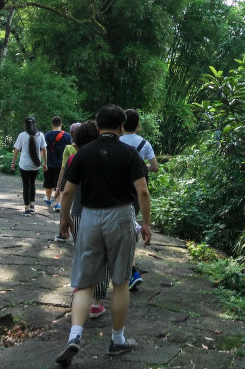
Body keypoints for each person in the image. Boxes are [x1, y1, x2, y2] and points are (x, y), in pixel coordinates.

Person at [56, 104, 151, 366]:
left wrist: (65, 220)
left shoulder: (82, 154)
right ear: (122, 126)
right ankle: (117, 339)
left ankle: (74, 336)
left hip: (89, 217)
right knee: (120, 281)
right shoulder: (130, 154)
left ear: (97, 126)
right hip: (120, 216)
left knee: (85, 281)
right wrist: (145, 223)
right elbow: (142, 192)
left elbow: (67, 192)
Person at [56, 121, 109, 317]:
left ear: (77, 143)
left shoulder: (73, 160)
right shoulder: (108, 157)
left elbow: (66, 192)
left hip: (78, 214)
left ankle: (81, 288)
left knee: (82, 253)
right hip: (104, 214)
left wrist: (65, 217)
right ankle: (95, 303)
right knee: (102, 257)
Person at [120, 109, 159, 291]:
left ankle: (130, 270)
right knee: (129, 224)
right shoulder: (144, 143)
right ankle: (131, 269)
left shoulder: (116, 141)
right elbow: (155, 167)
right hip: (136, 191)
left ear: (121, 124)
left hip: (117, 190)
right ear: (137, 125)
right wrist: (139, 168)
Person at [10, 117, 46, 216]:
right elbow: (44, 149)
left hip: (24, 164)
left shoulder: (22, 135)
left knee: (26, 185)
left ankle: (27, 209)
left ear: (25, 125)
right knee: (32, 183)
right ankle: (32, 205)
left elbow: (16, 150)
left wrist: (13, 162)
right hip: (35, 165)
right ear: (35, 124)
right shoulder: (40, 135)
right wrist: (44, 163)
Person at [54, 122, 81, 241]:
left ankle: (62, 232)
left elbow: (64, 168)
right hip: (83, 183)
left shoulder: (69, 148)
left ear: (72, 134)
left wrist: (59, 185)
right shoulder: (89, 149)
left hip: (70, 180)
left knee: (65, 204)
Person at [43, 116, 71, 212]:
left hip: (49, 163)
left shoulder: (47, 135)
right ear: (61, 124)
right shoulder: (67, 136)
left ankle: (48, 199)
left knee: (48, 183)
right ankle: (58, 204)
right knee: (59, 185)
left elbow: (43, 149)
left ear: (52, 125)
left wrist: (43, 162)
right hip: (62, 164)